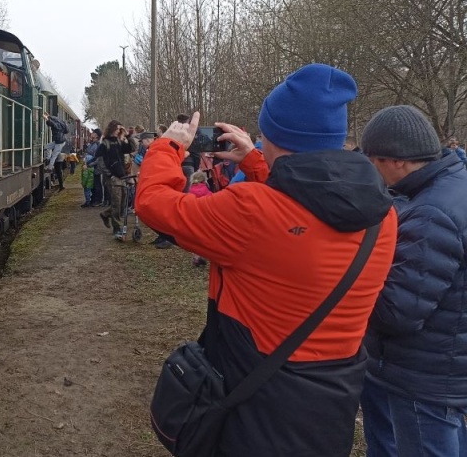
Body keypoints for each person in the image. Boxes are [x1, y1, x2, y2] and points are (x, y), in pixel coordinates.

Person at [135, 63, 398, 456]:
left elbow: (155, 205)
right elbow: (299, 212)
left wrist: (167, 147)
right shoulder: (384, 216)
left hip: (254, 401)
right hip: (332, 401)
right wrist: (258, 162)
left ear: (273, 134)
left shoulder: (251, 210)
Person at [359, 105, 467, 457]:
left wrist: (349, 284)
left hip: (424, 373)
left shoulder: (431, 213)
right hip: (446, 359)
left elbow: (399, 312)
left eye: (373, 159)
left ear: (397, 161)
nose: (372, 169)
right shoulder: (455, 184)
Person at [95, 120, 134, 240]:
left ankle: (106, 214)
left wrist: (127, 135)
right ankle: (117, 227)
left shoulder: (118, 142)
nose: (118, 131)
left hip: (121, 175)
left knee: (122, 203)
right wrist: (108, 174)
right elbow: (100, 160)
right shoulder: (105, 143)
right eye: (117, 129)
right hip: (112, 177)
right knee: (116, 202)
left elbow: (131, 148)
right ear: (112, 129)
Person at [187, 171, 213, 266]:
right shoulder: (208, 193)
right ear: (204, 180)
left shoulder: (190, 193)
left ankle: (196, 257)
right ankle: (204, 255)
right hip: (205, 219)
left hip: (194, 219)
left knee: (195, 239)